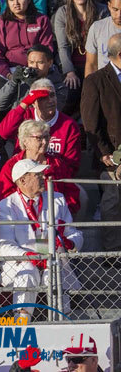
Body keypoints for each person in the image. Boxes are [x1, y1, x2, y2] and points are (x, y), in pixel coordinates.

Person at [0, 159, 82, 317]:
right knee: (27, 270)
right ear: (23, 180)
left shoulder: (57, 198)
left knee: (53, 270)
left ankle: (62, 319)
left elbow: (74, 233)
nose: (44, 177)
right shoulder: (5, 205)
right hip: (20, 262)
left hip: (50, 257)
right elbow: (5, 245)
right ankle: (21, 321)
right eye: (38, 174)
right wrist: (28, 256)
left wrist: (68, 242)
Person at [81, 32, 121, 249]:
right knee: (112, 202)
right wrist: (105, 153)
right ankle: (114, 252)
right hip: (111, 156)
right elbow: (90, 123)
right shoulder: (95, 81)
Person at [0, 118, 84, 217]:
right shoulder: (11, 166)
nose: (44, 142)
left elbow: (71, 192)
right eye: (39, 138)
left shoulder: (56, 163)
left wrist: (62, 210)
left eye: (46, 137)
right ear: (25, 141)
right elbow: (4, 199)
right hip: (22, 220)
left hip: (57, 216)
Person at [0, 78, 81, 172]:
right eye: (43, 98)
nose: (50, 100)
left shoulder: (69, 125)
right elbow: (3, 133)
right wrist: (23, 105)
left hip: (55, 178)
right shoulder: (24, 117)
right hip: (23, 176)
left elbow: (71, 166)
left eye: (52, 95)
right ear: (33, 102)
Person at [53, 0, 106, 104]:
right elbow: (63, 46)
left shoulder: (102, 11)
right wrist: (69, 71)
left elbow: (105, 44)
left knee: (97, 97)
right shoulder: (62, 13)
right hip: (73, 65)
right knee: (69, 96)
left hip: (96, 64)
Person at [0, 0, 54, 81]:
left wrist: (37, 71)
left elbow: (47, 49)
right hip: (9, 72)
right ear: (7, 2)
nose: (16, 3)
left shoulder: (41, 20)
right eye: (12, 0)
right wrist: (9, 75)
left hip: (38, 70)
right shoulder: (0, 23)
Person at [0, 44, 69, 116]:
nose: (35, 66)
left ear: (50, 63)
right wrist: (13, 82)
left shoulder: (59, 86)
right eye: (31, 62)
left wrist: (35, 86)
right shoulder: (23, 80)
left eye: (40, 62)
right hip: (17, 123)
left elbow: (49, 112)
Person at [85, 0, 121, 75]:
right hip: (105, 84)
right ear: (109, 6)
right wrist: (89, 87)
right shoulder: (97, 28)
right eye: (115, 9)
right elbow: (91, 64)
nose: (119, 15)